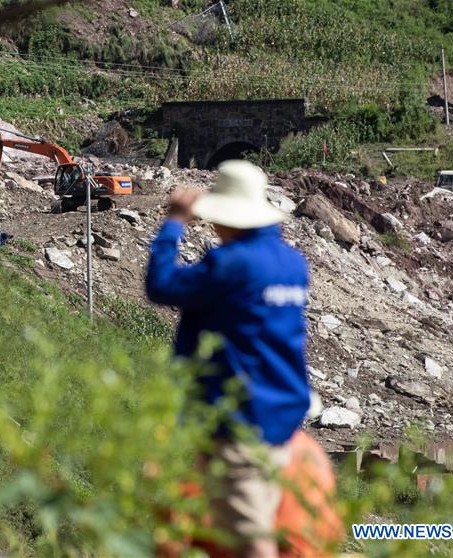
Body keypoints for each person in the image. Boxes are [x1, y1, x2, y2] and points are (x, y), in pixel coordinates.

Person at [145, 161, 310, 558]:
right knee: (260, 520)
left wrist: (174, 223)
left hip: (238, 421)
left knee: (250, 542)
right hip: (282, 414)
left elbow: (161, 285)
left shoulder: (232, 264)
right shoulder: (292, 264)